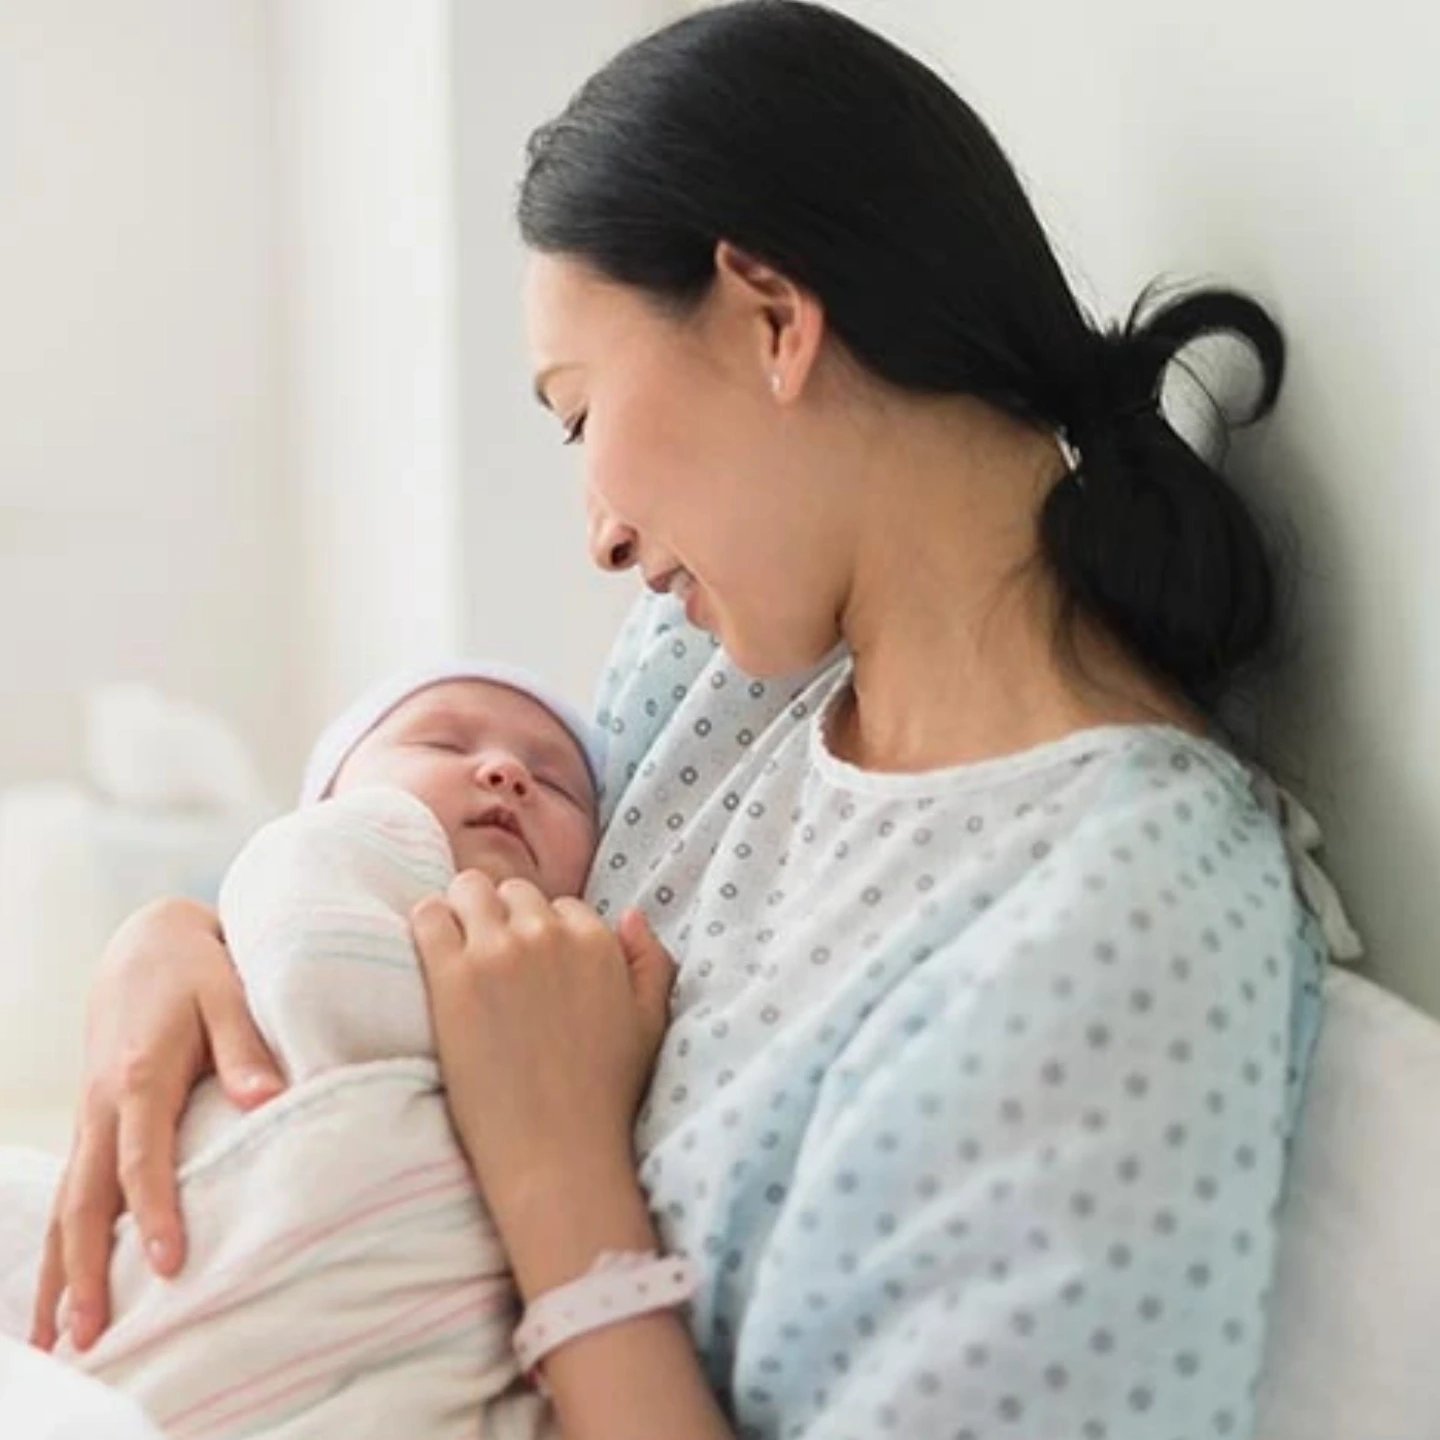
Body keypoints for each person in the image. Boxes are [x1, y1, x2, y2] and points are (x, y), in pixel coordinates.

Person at [30, 4, 1355, 1437]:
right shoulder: (729, 676)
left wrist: (557, 1175)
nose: (599, 535)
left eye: (578, 412)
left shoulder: (1123, 930)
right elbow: (452, 916)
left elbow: (521, 1078)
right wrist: (179, 938)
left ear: (772, 319)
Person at [45, 663, 636, 1438]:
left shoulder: (586, 993)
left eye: (561, 786)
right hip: (184, 1291)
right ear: (322, 806)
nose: (509, 772)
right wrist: (168, 924)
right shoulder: (298, 886)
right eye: (443, 739)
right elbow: (314, 967)